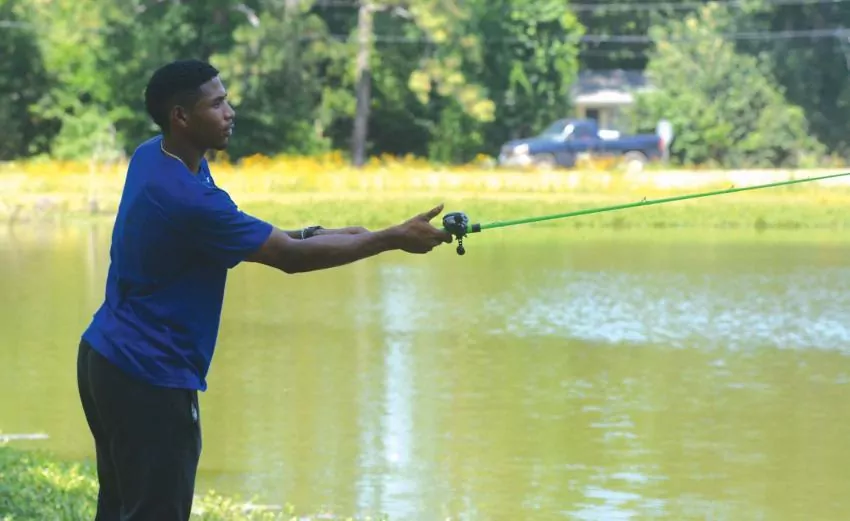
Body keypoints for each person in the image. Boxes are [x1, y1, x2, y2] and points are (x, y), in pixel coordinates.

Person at [76, 59, 452, 521]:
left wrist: (325, 233)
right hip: (147, 375)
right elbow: (287, 258)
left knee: (119, 508)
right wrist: (390, 239)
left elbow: (259, 238)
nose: (230, 112)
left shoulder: (155, 156)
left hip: (105, 359)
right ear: (181, 116)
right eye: (217, 104)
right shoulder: (188, 199)